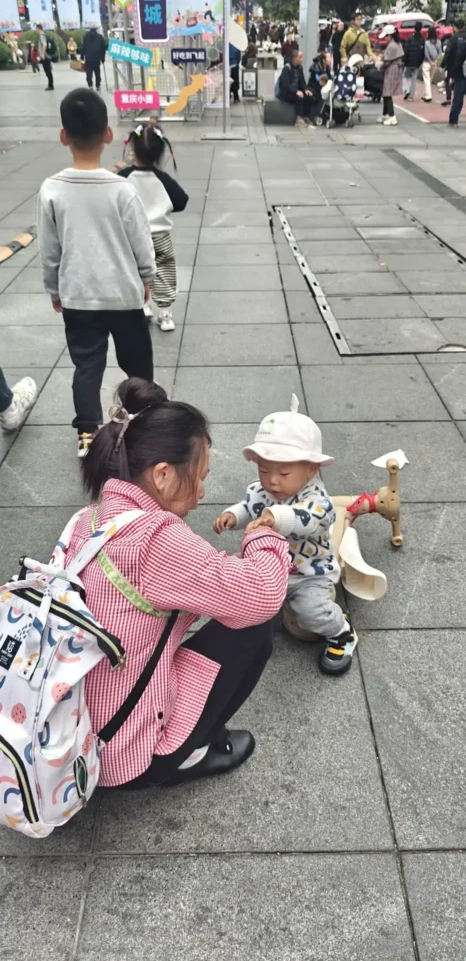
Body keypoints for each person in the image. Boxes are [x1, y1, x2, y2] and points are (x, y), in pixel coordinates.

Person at [64, 376, 290, 788]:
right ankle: (187, 755)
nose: (203, 491)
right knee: (252, 628)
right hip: (118, 755)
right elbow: (262, 594)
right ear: (163, 474)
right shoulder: (155, 538)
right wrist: (265, 536)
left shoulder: (90, 520)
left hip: (67, 736)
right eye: (200, 475)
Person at [37, 89, 156, 459]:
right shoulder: (123, 189)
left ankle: (87, 433)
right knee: (137, 364)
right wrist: (146, 277)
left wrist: (53, 287)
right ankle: (143, 418)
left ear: (63, 135)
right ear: (108, 134)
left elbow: (49, 248)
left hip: (78, 297)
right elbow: (142, 242)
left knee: (86, 366)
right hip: (123, 295)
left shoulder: (52, 189)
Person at [214, 395, 358, 675]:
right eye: (263, 469)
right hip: (268, 569)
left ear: (311, 468)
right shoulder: (262, 489)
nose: (272, 480)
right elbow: (249, 505)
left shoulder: (318, 500)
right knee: (241, 596)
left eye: (284, 472)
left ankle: (341, 631)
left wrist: (275, 517)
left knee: (310, 612)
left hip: (308, 574)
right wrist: (234, 516)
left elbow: (307, 519)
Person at [119, 122, 188, 332]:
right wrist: (162, 208)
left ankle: (142, 305)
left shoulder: (123, 177)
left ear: (132, 148)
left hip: (133, 236)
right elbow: (181, 200)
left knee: (135, 270)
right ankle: (165, 315)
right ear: (160, 153)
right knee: (164, 270)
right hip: (160, 236)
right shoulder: (163, 179)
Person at [278, 49, 313, 127]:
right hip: (287, 93)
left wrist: (306, 89)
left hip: (296, 90)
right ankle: (298, 118)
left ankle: (306, 116)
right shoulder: (287, 69)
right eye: (300, 57)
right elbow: (285, 85)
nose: (302, 59)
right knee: (299, 97)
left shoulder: (299, 68)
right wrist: (296, 91)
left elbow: (302, 82)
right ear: (295, 59)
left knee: (308, 96)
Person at [379, 25, 404, 126]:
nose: (385, 38)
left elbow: (387, 62)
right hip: (395, 69)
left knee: (388, 93)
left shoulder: (392, 46)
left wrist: (380, 66)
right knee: (386, 93)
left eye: (386, 36)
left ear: (390, 36)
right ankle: (386, 114)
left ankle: (392, 116)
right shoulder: (396, 44)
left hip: (392, 70)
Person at [446, 19, 466, 127]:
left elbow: (457, 57)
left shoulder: (454, 38)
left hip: (460, 73)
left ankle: (453, 120)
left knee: (458, 96)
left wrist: (451, 73)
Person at [403, 20, 425, 101]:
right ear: (421, 29)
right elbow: (423, 53)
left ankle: (407, 90)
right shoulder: (422, 40)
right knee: (414, 79)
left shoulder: (410, 39)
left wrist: (404, 61)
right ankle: (411, 96)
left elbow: (406, 50)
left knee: (404, 77)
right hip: (416, 63)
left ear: (414, 28)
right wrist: (419, 63)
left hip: (408, 63)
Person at [441, 23, 459, 107]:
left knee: (447, 80)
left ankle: (448, 98)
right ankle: (457, 98)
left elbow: (447, 52)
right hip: (462, 64)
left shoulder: (453, 38)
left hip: (452, 64)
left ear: (455, 28)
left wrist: (443, 64)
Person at [422, 26, 442, 102]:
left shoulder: (426, 43)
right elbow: (440, 53)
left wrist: (430, 61)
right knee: (429, 79)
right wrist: (435, 61)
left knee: (426, 79)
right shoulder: (439, 42)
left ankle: (428, 96)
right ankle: (425, 94)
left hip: (427, 62)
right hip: (435, 62)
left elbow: (426, 54)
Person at [36, 23, 54, 90]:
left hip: (45, 56)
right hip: (47, 55)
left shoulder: (41, 35)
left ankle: (51, 85)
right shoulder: (45, 35)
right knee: (48, 71)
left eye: (36, 29)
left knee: (47, 71)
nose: (36, 30)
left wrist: (43, 54)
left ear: (38, 28)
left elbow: (44, 45)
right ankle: (50, 85)